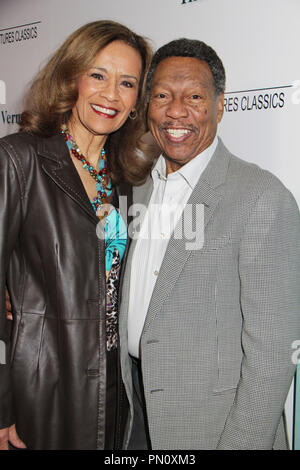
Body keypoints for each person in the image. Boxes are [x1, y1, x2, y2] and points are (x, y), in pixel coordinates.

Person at [119, 38, 300, 450]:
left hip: (215, 429)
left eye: (194, 97)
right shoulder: (136, 187)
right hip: (135, 416)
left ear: (219, 106)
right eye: (162, 95)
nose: (176, 111)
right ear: (148, 106)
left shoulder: (262, 197)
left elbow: (274, 357)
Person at [0, 20, 152, 450]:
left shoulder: (125, 177)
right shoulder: (18, 160)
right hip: (43, 388)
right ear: (72, 77)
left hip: (112, 385)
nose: (111, 95)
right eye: (98, 76)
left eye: (127, 83)